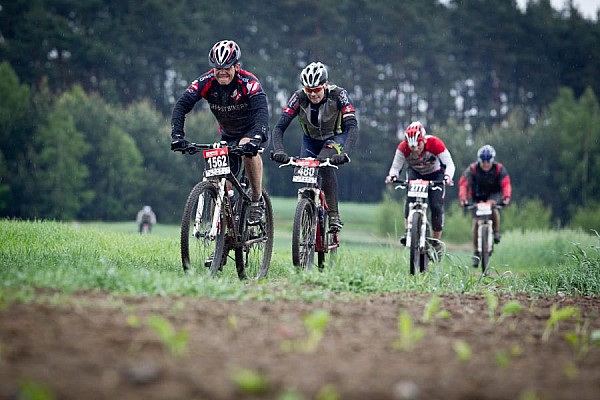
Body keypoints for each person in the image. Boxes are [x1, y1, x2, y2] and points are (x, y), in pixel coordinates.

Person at [170, 40, 270, 225]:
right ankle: (219, 235)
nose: (222, 71)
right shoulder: (206, 81)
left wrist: (257, 137)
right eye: (218, 68)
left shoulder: (249, 82)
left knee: (247, 149)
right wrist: (177, 135)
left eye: (227, 67)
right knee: (218, 184)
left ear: (237, 66)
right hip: (228, 136)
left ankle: (257, 201)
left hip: (253, 132)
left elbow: (261, 111)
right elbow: (181, 105)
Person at [272, 62, 359, 231]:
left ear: (325, 85)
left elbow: (352, 126)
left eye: (317, 89)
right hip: (310, 139)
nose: (312, 94)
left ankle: (333, 215)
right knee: (305, 170)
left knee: (324, 162)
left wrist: (345, 153)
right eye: (308, 90)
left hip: (335, 137)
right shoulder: (298, 97)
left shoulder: (338, 94)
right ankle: (306, 211)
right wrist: (280, 150)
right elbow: (279, 127)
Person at [384, 121, 456, 257]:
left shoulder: (435, 143)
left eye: (418, 145)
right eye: (412, 147)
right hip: (416, 173)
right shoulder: (403, 148)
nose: (415, 150)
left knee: (436, 206)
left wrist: (447, 177)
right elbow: (395, 167)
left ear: (423, 140)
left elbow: (449, 164)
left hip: (435, 174)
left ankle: (436, 242)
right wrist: (392, 176)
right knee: (410, 200)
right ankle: (408, 231)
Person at [458, 144, 512, 267]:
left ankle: (496, 232)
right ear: (479, 160)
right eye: (483, 162)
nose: (486, 164)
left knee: (493, 209)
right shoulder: (472, 169)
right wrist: (463, 198)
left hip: (493, 195)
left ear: (492, 160)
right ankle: (476, 253)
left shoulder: (499, 169)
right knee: (476, 222)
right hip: (476, 197)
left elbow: (506, 183)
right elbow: (463, 183)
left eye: (488, 161)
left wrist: (506, 197)